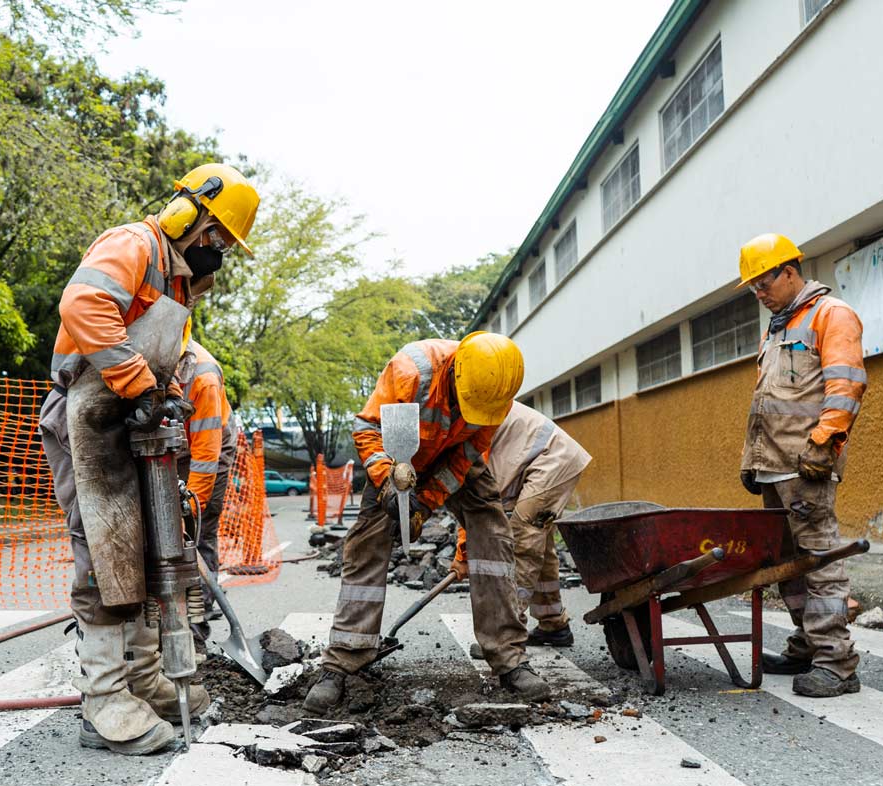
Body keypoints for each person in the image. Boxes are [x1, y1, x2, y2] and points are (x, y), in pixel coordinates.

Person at [37, 164, 259, 753]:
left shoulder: (177, 280)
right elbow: (84, 305)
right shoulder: (133, 244)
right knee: (105, 551)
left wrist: (162, 397)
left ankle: (140, 678)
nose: (219, 253)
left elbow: (161, 355)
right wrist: (140, 385)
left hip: (127, 417)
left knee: (138, 552)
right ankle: (105, 699)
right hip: (88, 414)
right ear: (191, 215)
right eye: (217, 237)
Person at [303, 333, 552, 715]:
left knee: (493, 531)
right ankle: (343, 659)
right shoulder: (411, 372)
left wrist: (427, 503)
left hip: (452, 456)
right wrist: (387, 482)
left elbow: (467, 454)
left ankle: (508, 657)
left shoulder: (492, 396)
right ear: (455, 374)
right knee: (366, 543)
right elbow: (367, 430)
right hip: (396, 459)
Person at [737, 233, 866, 698]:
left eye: (763, 282)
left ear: (790, 271)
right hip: (773, 466)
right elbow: (766, 402)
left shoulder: (831, 315)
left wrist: (823, 445)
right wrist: (751, 460)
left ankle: (837, 662)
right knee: (788, 565)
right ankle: (808, 645)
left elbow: (846, 386)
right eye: (752, 286)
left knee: (819, 561)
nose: (758, 293)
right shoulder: (777, 327)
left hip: (805, 467)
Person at [454, 402, 591, 653]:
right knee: (541, 544)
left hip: (552, 460)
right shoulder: (468, 410)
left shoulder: (466, 422)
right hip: (543, 462)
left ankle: (505, 633)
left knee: (522, 540)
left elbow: (473, 501)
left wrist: (463, 553)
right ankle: (554, 624)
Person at [176, 325, 238, 616]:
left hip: (211, 445)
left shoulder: (203, 379)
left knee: (198, 528)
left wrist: (188, 508)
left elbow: (204, 459)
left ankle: (199, 614)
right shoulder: (144, 359)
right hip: (175, 445)